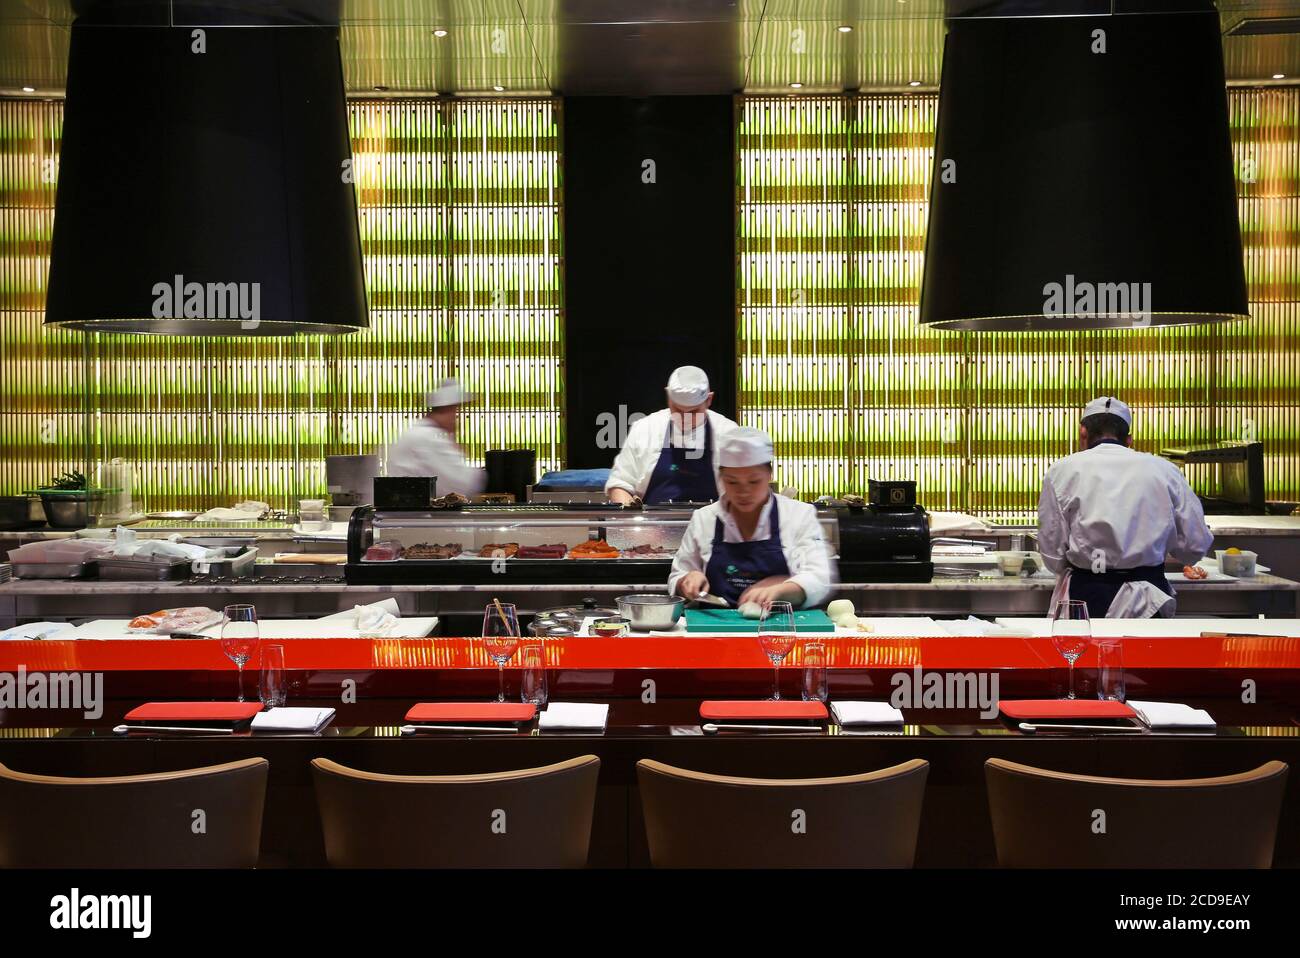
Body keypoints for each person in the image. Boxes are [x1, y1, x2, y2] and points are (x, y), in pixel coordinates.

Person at [1037, 396, 1213, 618]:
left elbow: (1052, 554)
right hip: (1149, 599)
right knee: (1143, 653)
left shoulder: (1061, 471)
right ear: (1129, 439)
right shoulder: (1165, 471)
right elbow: (1195, 546)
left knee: (1085, 653)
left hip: (1087, 595)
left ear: (1083, 433)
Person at [668, 426, 835, 610]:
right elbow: (677, 575)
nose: (743, 492)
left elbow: (819, 578)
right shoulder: (704, 518)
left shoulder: (798, 515)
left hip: (781, 628)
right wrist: (686, 581)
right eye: (732, 482)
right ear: (721, 478)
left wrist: (784, 589)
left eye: (754, 481)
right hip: (715, 628)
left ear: (769, 475)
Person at [605, 366, 737, 505]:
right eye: (678, 410)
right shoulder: (644, 428)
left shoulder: (729, 434)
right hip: (653, 524)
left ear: (709, 400)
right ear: (668, 397)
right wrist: (632, 516)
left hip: (710, 524)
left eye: (693, 412)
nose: (684, 418)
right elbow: (620, 484)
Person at [384, 378, 486, 497]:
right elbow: (464, 483)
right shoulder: (427, 438)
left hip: (407, 511)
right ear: (447, 410)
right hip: (416, 513)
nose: (456, 419)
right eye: (455, 411)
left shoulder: (417, 433)